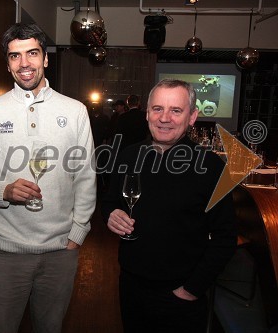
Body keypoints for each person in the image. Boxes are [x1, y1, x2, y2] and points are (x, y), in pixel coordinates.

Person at [0, 23, 96, 333]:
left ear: (45, 58)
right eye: (14, 56)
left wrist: (78, 232)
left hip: (61, 251)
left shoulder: (74, 111)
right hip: (6, 254)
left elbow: (85, 175)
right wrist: (2, 190)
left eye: (32, 53)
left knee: (50, 327)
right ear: (7, 64)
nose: (24, 63)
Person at [102, 79, 237, 333]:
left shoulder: (212, 168)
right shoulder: (129, 156)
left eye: (176, 110)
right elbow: (110, 201)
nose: (165, 118)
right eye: (157, 109)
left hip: (180, 294)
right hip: (131, 285)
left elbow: (225, 237)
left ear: (192, 116)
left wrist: (191, 290)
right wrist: (111, 214)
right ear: (147, 114)